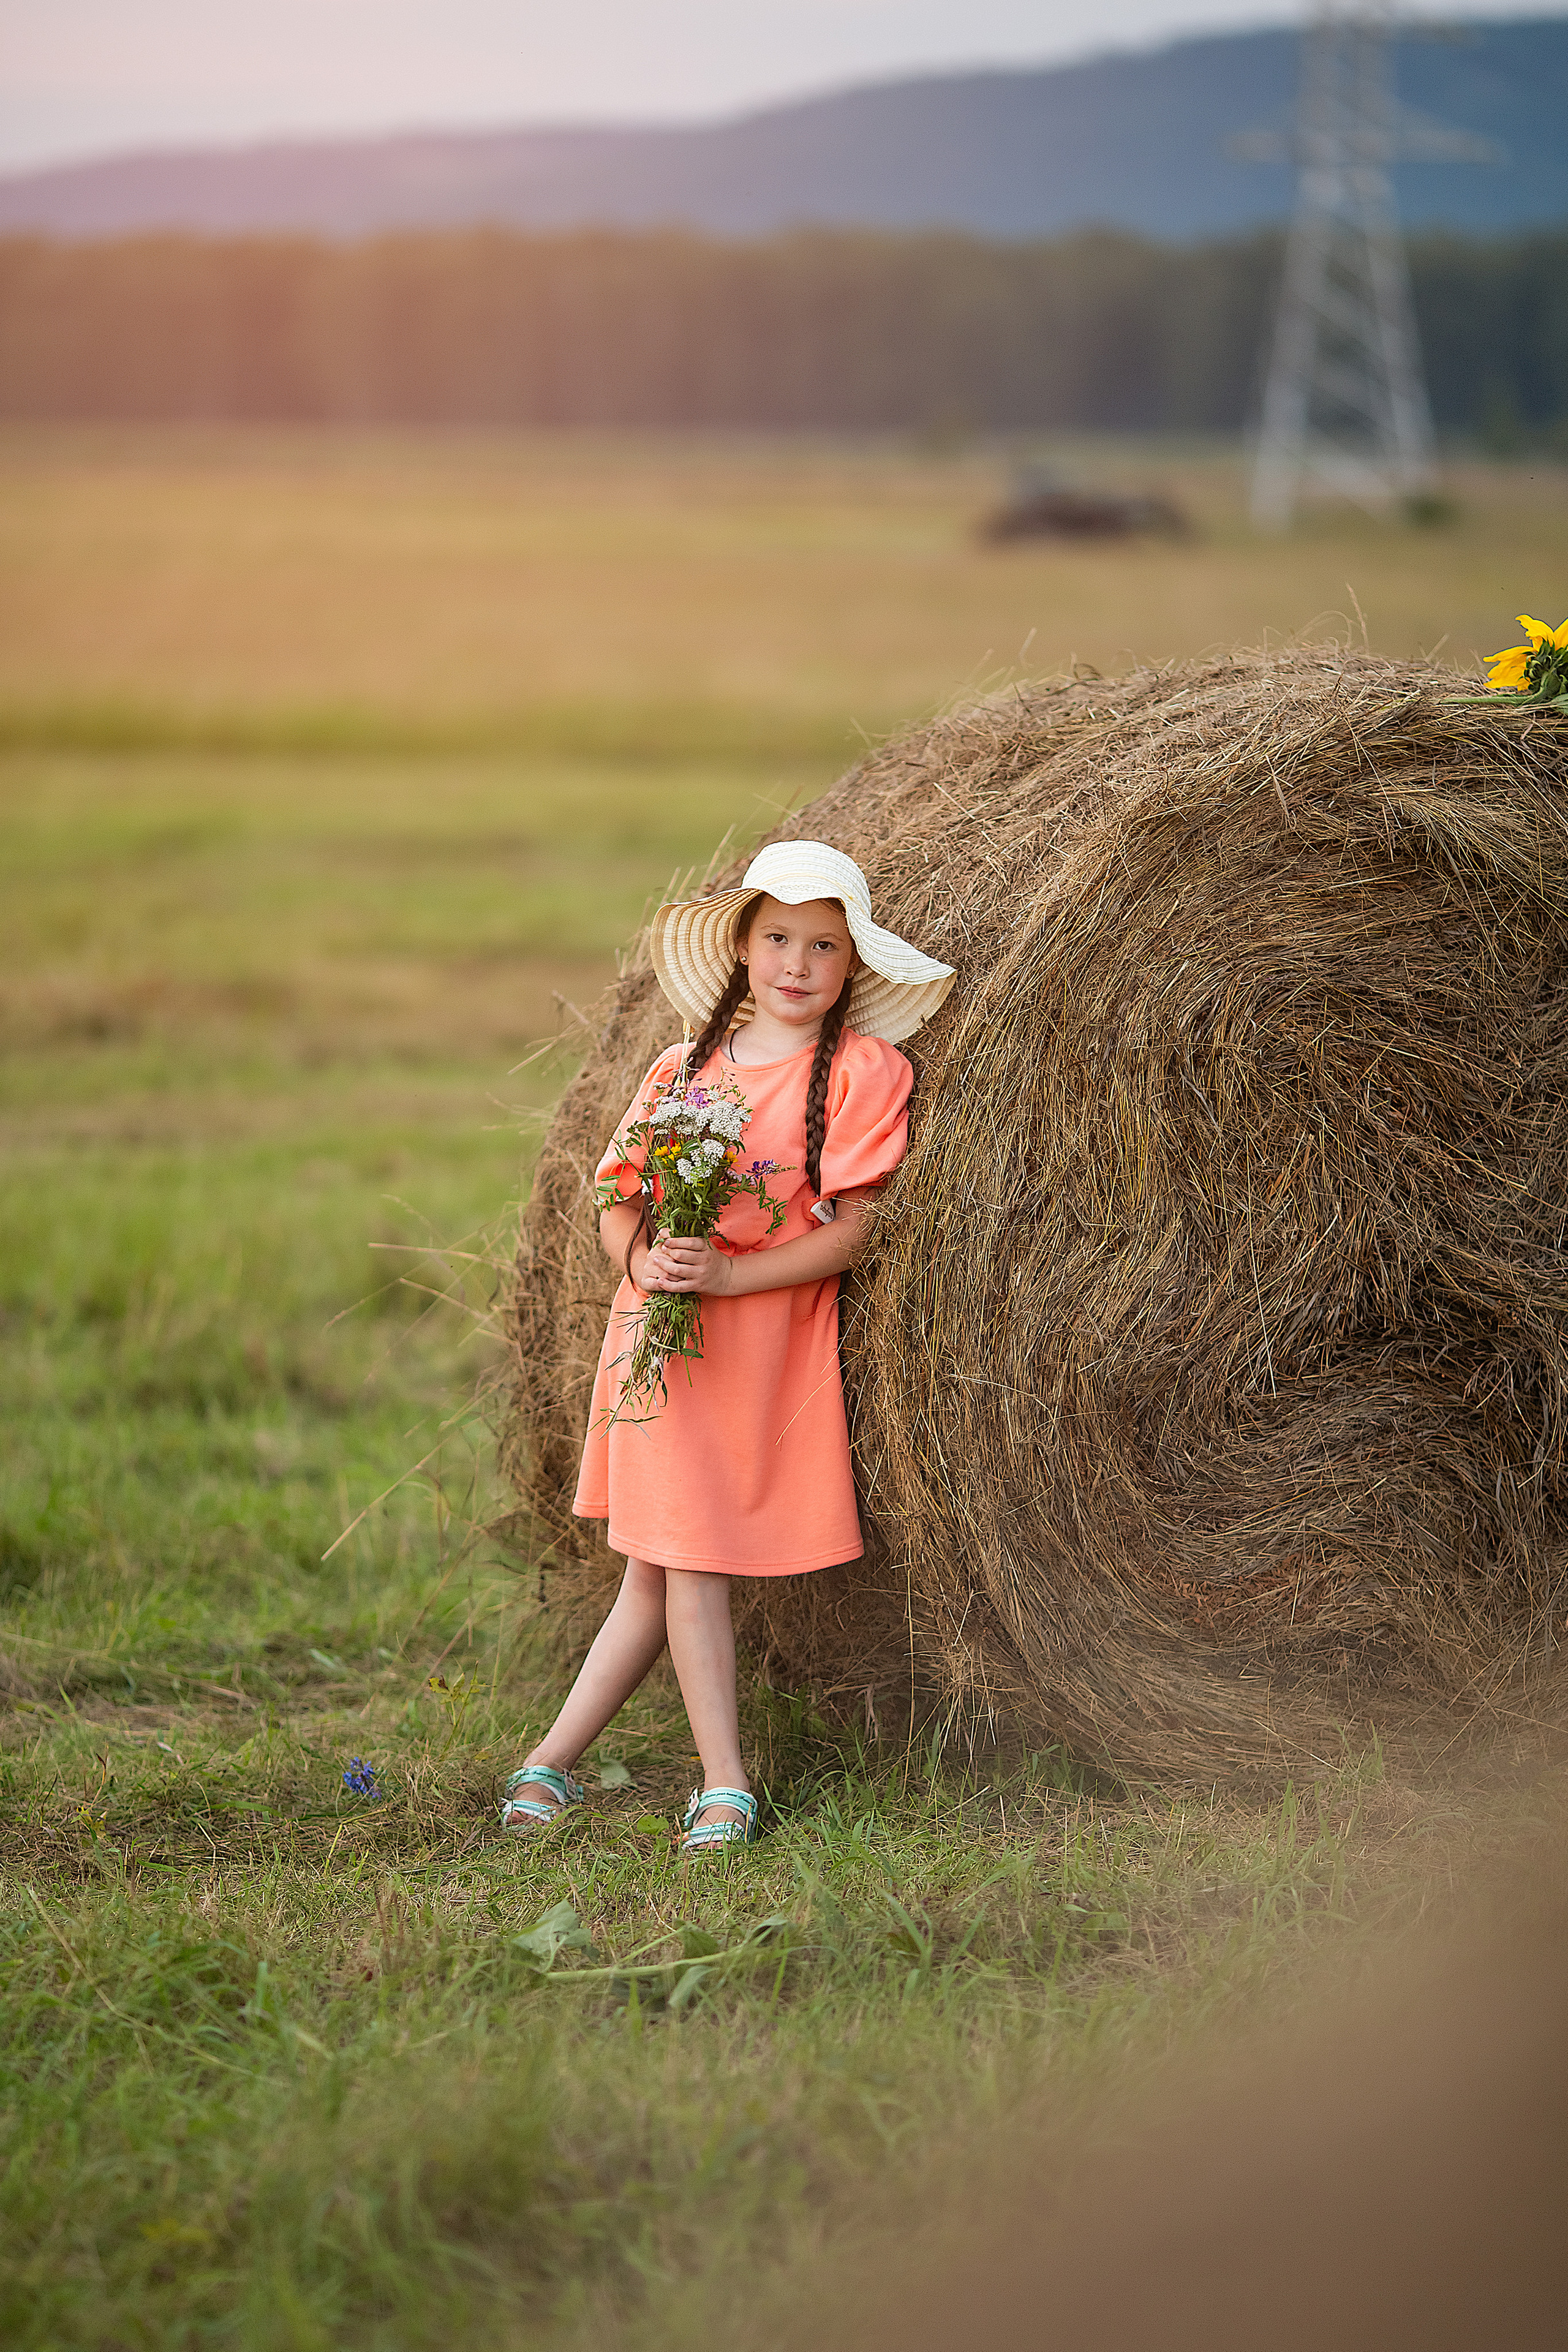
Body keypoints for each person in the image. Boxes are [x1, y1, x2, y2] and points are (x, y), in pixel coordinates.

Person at [500, 840, 955, 1853]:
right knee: (683, 1563)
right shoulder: (681, 1068)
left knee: (661, 1573)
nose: (798, 965)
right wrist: (643, 1264)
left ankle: (550, 1762)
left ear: (851, 966)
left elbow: (858, 1225)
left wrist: (732, 1276)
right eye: (779, 939)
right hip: (660, 1343)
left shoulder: (866, 1073)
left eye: (824, 947)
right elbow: (616, 1199)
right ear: (745, 950)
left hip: (758, 1343)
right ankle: (723, 1786)